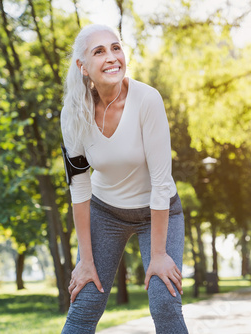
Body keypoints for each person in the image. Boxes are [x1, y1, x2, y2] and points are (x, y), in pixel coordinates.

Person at [60, 24, 189, 334]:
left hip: (159, 211)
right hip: (105, 213)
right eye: (99, 51)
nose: (112, 57)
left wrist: (158, 256)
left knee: (164, 300)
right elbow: (79, 187)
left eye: (116, 48)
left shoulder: (147, 99)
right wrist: (86, 261)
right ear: (83, 67)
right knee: (84, 303)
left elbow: (161, 182)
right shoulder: (73, 113)